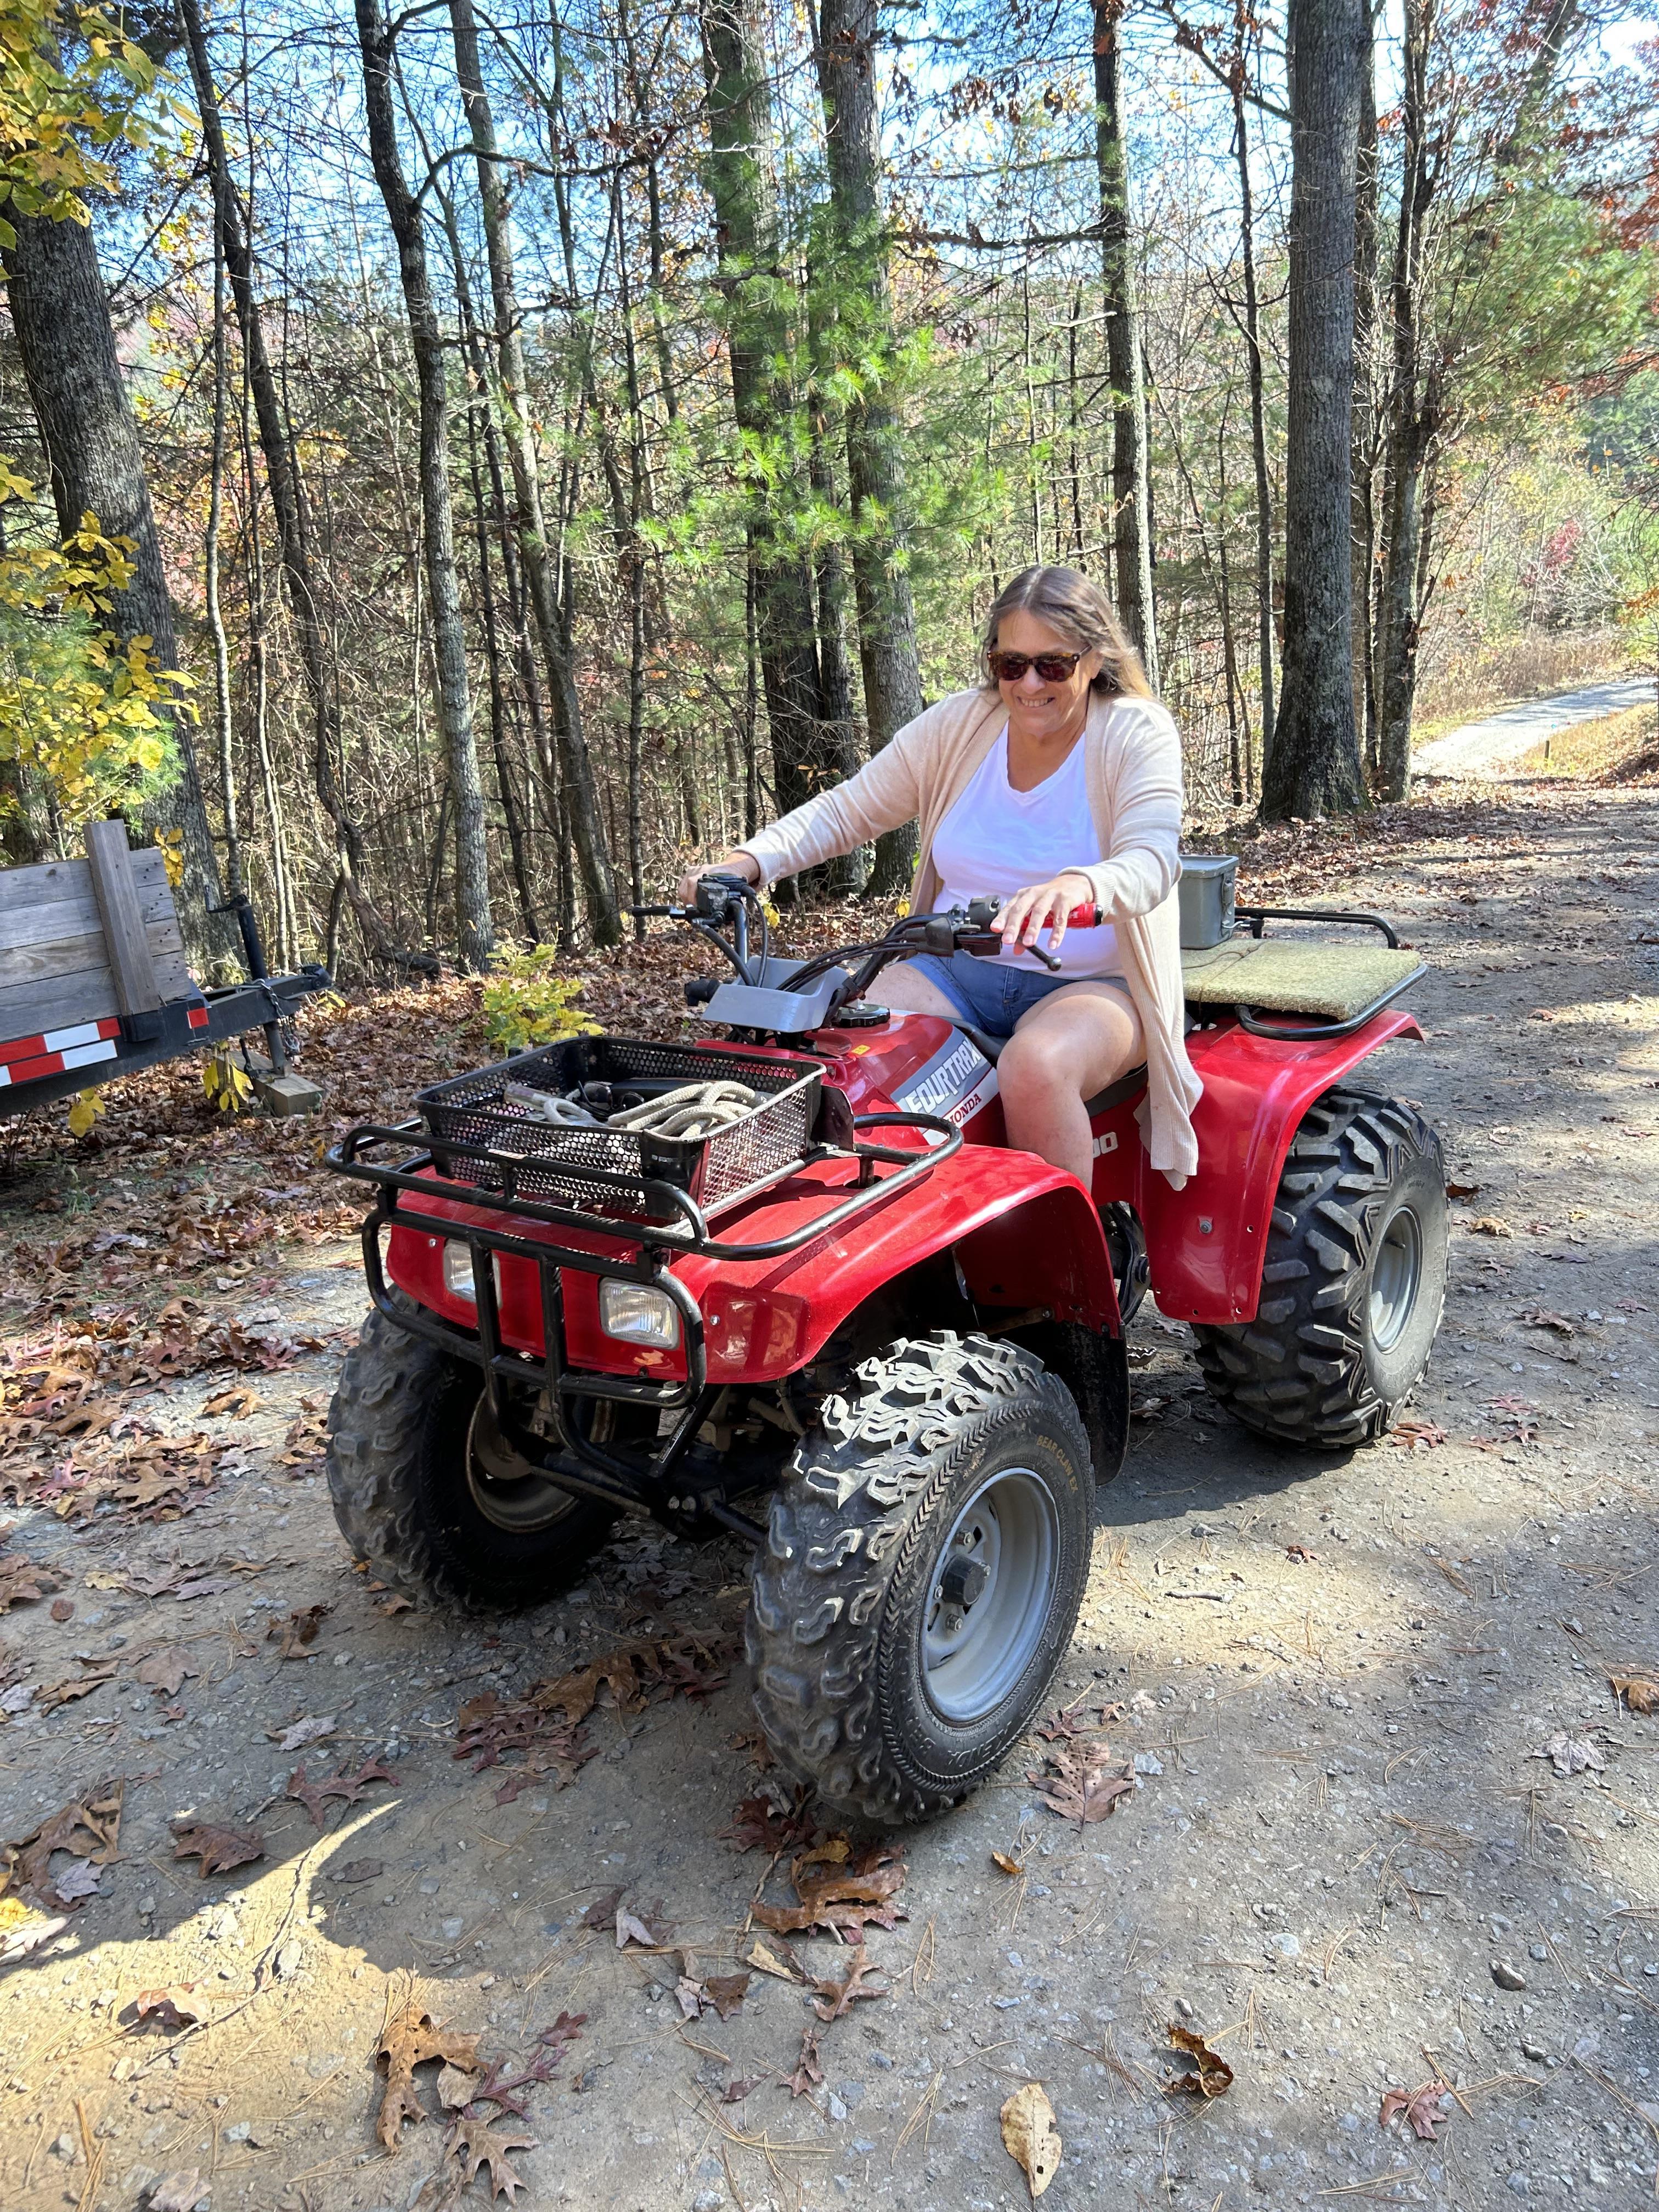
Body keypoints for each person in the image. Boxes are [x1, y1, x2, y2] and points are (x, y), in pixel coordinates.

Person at [678, 564, 1201, 1188]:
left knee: (1036, 1066)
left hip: (1096, 984)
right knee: (831, 1044)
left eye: (1053, 665)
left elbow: (1152, 859)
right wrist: (748, 863)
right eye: (1012, 665)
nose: (1030, 684)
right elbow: (850, 807)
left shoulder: (1135, 731)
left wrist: (1085, 886)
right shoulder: (960, 726)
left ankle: (1060, 1281)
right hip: (956, 970)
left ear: (1094, 658)